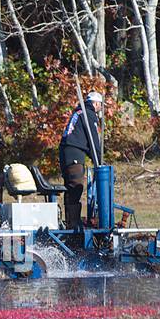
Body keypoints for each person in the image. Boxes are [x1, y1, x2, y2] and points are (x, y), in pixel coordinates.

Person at [59, 90, 103, 229]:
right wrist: (99, 162)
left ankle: (71, 223)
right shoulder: (89, 114)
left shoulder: (78, 112)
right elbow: (93, 140)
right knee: (76, 186)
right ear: (95, 103)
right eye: (100, 105)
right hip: (74, 153)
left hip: (66, 152)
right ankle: (73, 225)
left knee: (70, 189)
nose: (100, 108)